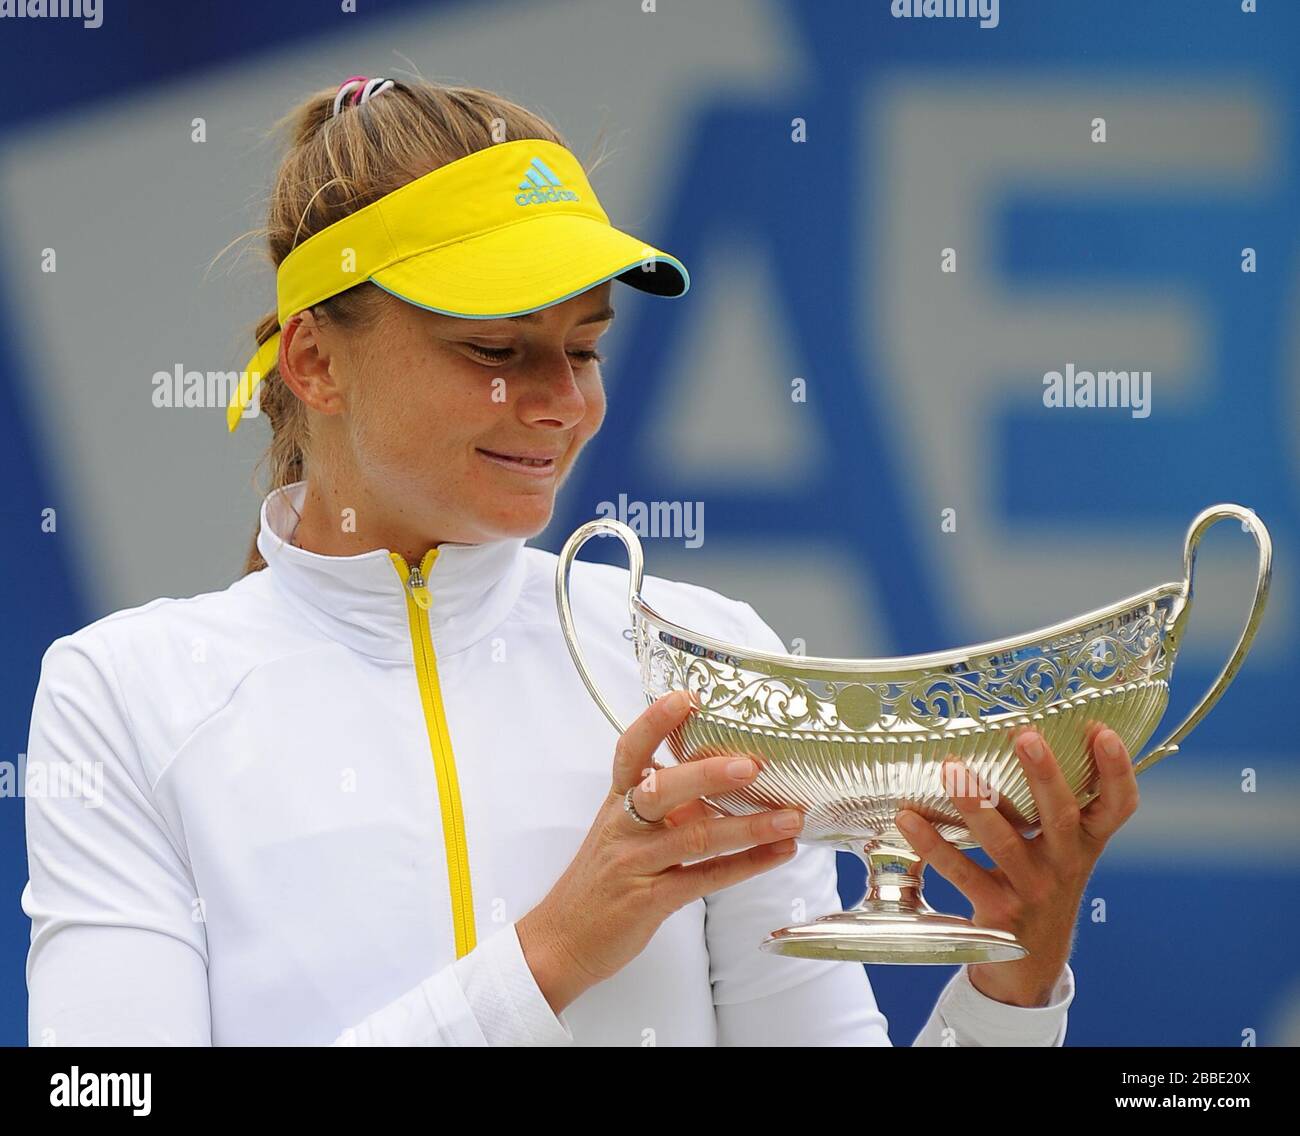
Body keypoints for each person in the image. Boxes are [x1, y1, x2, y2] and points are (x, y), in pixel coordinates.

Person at [21, 77, 1140, 1046]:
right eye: (498, 350)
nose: (564, 401)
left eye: (587, 345)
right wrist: (553, 950)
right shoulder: (123, 690)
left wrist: (1015, 981)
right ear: (315, 358)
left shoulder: (704, 657)